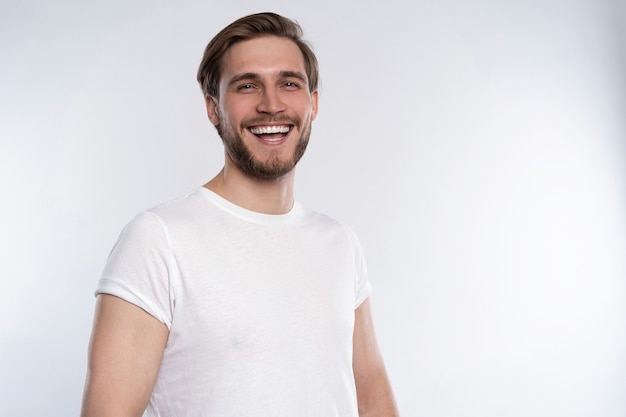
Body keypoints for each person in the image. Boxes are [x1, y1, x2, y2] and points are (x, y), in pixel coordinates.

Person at [81, 12, 398, 417]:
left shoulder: (339, 242)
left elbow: (372, 397)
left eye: (289, 83)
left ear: (313, 103)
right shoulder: (158, 239)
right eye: (247, 85)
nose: (271, 104)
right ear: (213, 108)